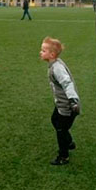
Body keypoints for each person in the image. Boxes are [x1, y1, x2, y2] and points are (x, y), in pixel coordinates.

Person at [40, 37, 80, 165]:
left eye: (43, 50)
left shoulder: (57, 68)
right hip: (61, 103)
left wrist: (73, 101)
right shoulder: (54, 64)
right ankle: (69, 142)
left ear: (52, 54)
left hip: (67, 105)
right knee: (55, 120)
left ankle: (64, 156)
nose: (40, 52)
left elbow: (67, 83)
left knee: (61, 130)